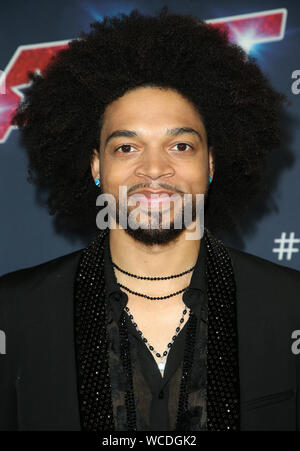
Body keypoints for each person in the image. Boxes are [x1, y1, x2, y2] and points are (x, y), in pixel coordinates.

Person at [0, 6, 299, 431]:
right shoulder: (14, 312)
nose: (154, 169)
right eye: (127, 147)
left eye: (181, 147)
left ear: (211, 163)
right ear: (95, 167)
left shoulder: (290, 308)